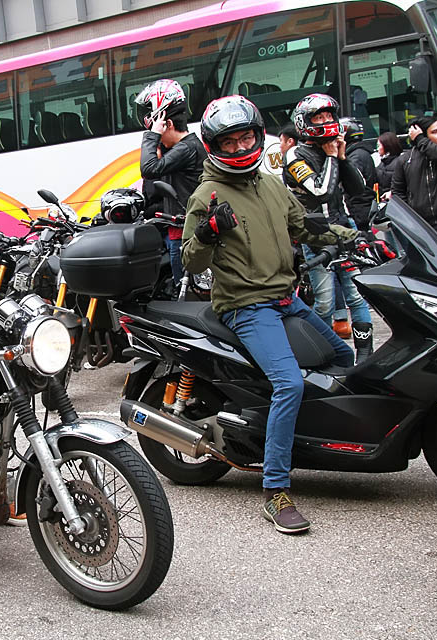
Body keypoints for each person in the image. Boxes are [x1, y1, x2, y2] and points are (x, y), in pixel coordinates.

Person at [183, 95, 359, 535]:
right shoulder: (207, 195)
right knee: (289, 383)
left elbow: (304, 227)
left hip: (286, 298)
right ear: (214, 146)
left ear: (258, 137)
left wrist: (353, 237)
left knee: (343, 359)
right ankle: (275, 491)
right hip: (246, 306)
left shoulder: (271, 183)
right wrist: (207, 232)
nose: (242, 149)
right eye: (231, 142)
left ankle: (306, 440)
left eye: (247, 138)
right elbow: (190, 262)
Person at [282, 93, 373, 360]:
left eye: (328, 116)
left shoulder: (332, 148)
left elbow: (359, 189)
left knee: (356, 296)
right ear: (305, 122)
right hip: (317, 234)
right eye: (318, 117)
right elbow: (320, 191)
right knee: (324, 301)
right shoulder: (295, 155)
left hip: (345, 226)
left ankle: (364, 356)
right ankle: (321, 351)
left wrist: (341, 158)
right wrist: (332, 157)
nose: (326, 121)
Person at [136, 79, 207, 288]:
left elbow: (148, 169)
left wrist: (152, 136)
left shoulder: (187, 149)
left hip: (188, 235)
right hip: (180, 232)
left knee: (186, 294)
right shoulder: (183, 148)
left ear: (167, 124)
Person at [391, 116, 437, 251]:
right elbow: (398, 192)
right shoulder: (406, 159)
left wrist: (419, 139)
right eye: (434, 132)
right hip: (422, 226)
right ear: (423, 134)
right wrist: (410, 218)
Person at [375, 131, 403, 200]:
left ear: (387, 146)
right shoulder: (382, 163)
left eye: (379, 146)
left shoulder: (399, 163)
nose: (377, 149)